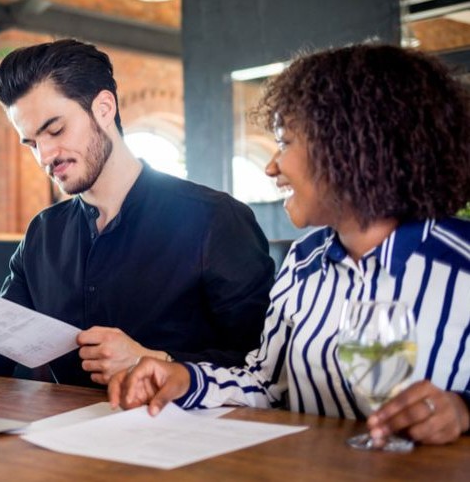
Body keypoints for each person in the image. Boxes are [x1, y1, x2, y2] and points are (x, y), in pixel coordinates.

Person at [108, 43, 470, 445]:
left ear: (351, 144)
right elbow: (267, 384)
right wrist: (185, 379)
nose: (271, 166)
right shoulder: (303, 261)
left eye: (284, 142)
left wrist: (463, 410)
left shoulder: (462, 266)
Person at [0, 39, 275, 388]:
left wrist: (154, 360)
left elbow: (266, 364)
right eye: (32, 143)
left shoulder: (215, 219)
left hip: (191, 440)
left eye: (55, 130)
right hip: (66, 443)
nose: (45, 156)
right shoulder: (43, 233)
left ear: (104, 108)